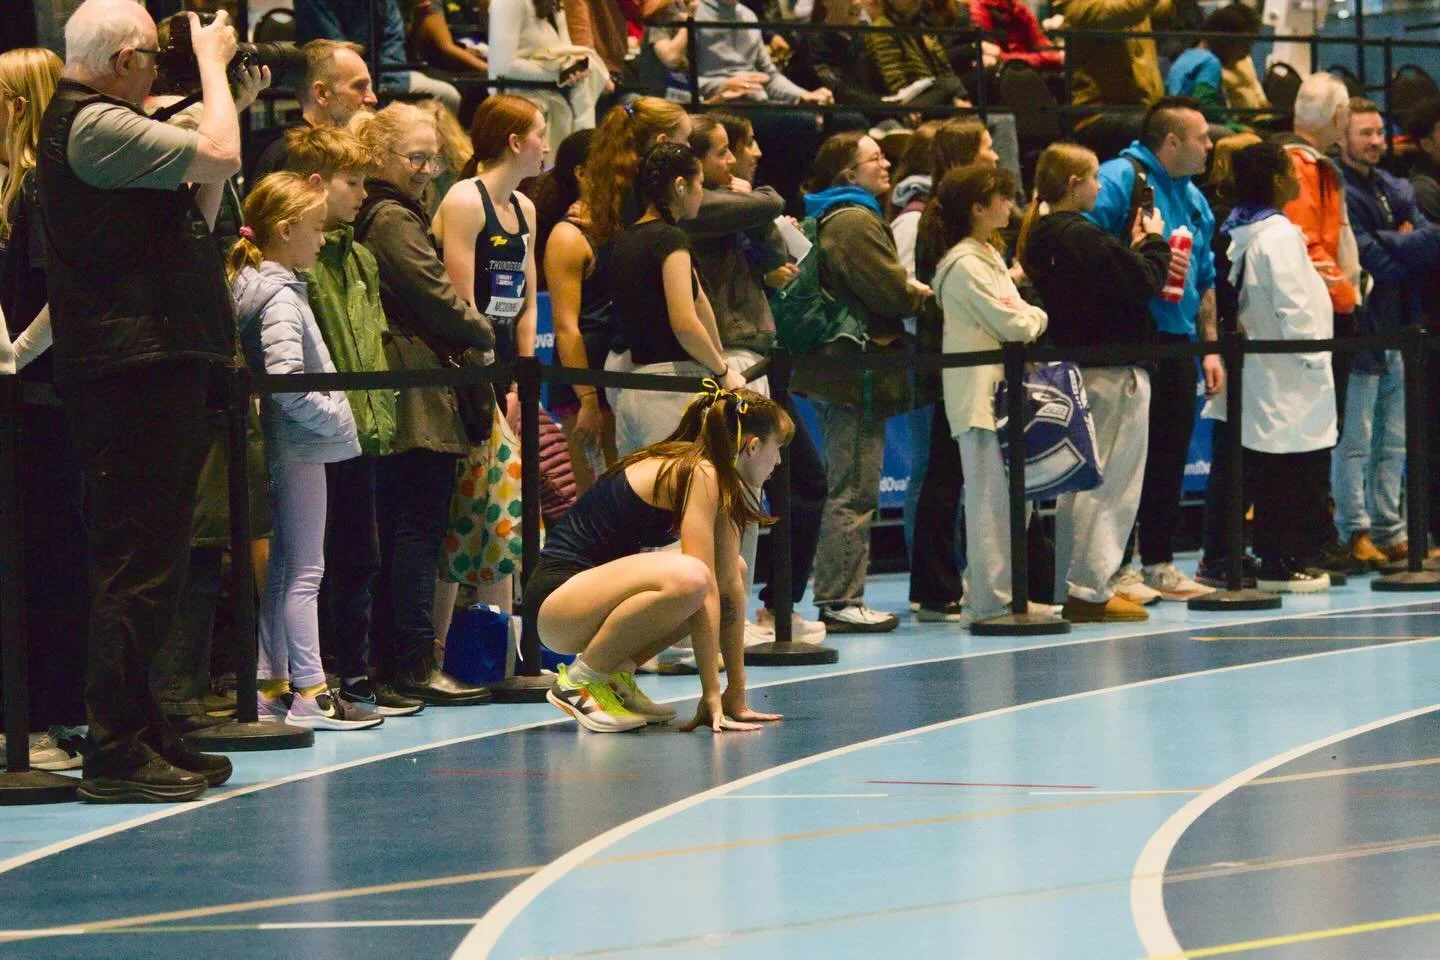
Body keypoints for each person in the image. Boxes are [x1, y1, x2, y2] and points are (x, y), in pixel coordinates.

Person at [35, 0, 247, 801]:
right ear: (124, 61)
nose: (161, 70)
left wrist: (225, 94)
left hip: (150, 358)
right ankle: (116, 747)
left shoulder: (102, 124)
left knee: (153, 557)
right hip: (132, 367)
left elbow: (195, 190)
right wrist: (216, 73)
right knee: (137, 562)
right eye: (155, 58)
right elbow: (220, 153)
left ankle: (144, 725)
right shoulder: (90, 125)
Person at [533, 385, 790, 732]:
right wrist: (710, 691)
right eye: (778, 449)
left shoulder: (722, 481)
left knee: (730, 572)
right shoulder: (703, 471)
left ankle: (614, 675)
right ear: (753, 446)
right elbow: (704, 585)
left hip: (584, 603)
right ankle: (579, 681)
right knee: (693, 577)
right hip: (557, 601)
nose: (779, 462)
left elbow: (729, 585)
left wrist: (735, 693)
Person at [352, 103, 495, 706]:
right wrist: (483, 330)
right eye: (415, 157)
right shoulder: (390, 217)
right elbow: (434, 295)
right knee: (415, 529)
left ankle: (397, 665)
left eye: (432, 156)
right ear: (381, 158)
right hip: (413, 391)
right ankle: (411, 666)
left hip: (410, 384)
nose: (427, 168)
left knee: (407, 529)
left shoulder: (387, 211)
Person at [231, 172, 381, 727]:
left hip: (292, 445)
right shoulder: (279, 299)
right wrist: (335, 415)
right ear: (286, 229)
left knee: (284, 570)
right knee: (305, 572)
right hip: (301, 445)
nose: (322, 239)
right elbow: (287, 381)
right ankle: (312, 691)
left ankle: (273, 684)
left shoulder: (265, 288)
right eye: (316, 229)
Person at [284, 125, 424, 717]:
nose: (364, 193)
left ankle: (359, 675)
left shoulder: (360, 257)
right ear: (317, 184)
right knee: (312, 561)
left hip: (362, 427)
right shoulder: (301, 263)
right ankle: (317, 679)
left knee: (359, 554)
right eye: (353, 182)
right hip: (314, 431)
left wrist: (375, 414)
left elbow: (372, 342)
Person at [1018, 143, 1170, 621]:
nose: (1100, 186)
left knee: (1079, 483)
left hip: (1078, 366)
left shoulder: (1043, 237)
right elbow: (1144, 281)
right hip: (1110, 369)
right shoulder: (1080, 236)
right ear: (1073, 184)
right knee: (1111, 483)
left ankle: (1077, 583)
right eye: (1092, 178)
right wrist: (1153, 242)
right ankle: (1089, 588)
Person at [792, 132, 930, 633]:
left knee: (850, 482)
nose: (887, 163)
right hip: (852, 373)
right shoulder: (852, 219)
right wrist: (915, 291)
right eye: (875, 158)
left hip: (844, 370)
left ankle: (839, 595)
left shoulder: (837, 213)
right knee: (853, 485)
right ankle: (839, 599)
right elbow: (890, 290)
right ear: (849, 173)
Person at [1085, 96, 1219, 603]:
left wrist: (1209, 347)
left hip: (1179, 343)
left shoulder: (1195, 198)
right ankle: (1113, 567)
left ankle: (1158, 561)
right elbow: (1086, 246)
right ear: (1171, 141)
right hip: (1130, 339)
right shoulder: (1120, 178)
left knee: (1168, 455)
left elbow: (1205, 278)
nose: (1210, 146)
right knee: (1123, 460)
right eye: (1201, 137)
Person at [0, 45, 89, 751]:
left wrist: (11, 361)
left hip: (40, 404)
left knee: (47, 557)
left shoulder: (39, 188)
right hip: (23, 400)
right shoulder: (14, 186)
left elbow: (60, 298)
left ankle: (49, 714)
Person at [926, 165, 1049, 625]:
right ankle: (989, 601)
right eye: (1001, 197)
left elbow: (1016, 316)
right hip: (979, 397)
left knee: (1018, 499)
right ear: (978, 208)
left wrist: (1026, 315)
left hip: (1003, 392)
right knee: (989, 501)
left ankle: (1005, 594)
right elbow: (1015, 322)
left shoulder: (987, 256)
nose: (1009, 205)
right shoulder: (964, 265)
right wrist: (1035, 316)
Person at [1221, 142, 1336, 592]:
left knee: (1277, 470)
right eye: (1290, 169)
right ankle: (1283, 560)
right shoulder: (1280, 236)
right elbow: (1294, 307)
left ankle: (1278, 556)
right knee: (1293, 472)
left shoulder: (1249, 233)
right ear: (1275, 180)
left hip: (1274, 371)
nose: (1297, 176)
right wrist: (1315, 360)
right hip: (1292, 372)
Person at [1336, 99, 1440, 565]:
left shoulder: (1395, 185)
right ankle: (1353, 530)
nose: (1376, 141)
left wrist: (1392, 241)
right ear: (1343, 138)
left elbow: (1431, 239)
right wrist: (1397, 241)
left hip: (1401, 325)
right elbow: (1362, 257)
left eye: (1380, 132)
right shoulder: (1338, 188)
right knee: (1356, 439)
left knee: (1393, 438)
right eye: (1365, 133)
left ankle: (1389, 529)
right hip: (1362, 329)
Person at [904, 118, 993, 621]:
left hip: (962, 360)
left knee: (949, 474)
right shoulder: (940, 220)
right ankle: (935, 587)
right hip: (951, 363)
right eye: (985, 147)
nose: (995, 156)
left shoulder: (950, 217)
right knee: (943, 473)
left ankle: (943, 582)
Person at [1276, 73, 1365, 572]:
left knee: (1320, 434)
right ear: (1338, 117)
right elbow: (1304, 244)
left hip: (1324, 314)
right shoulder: (1299, 165)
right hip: (1317, 318)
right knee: (1310, 436)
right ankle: (1306, 539)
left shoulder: (1315, 164)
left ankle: (1314, 535)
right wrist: (1347, 295)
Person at [610, 142, 742, 455]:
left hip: (632, 391)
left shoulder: (625, 239)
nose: (703, 194)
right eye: (700, 184)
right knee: (685, 499)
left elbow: (698, 302)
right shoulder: (670, 239)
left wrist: (718, 357)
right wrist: (723, 372)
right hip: (673, 391)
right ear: (680, 185)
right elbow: (684, 321)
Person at [1195, 131, 1261, 588]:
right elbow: (1218, 284)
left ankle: (1229, 548)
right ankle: (1218, 554)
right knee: (1231, 453)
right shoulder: (1227, 221)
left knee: (1244, 454)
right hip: (1234, 345)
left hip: (1244, 343)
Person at [440, 94, 545, 378]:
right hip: (466, 363)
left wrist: (521, 379)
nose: (547, 148)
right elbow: (464, 306)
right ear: (515, 142)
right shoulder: (466, 200)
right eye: (541, 135)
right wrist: (486, 383)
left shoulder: (526, 208)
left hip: (505, 359)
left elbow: (528, 305)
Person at [541, 130, 618, 494]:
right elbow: (567, 328)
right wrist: (587, 400)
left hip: (622, 379)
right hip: (584, 389)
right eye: (610, 166)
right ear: (582, 173)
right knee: (601, 505)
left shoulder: (620, 226)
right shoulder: (567, 237)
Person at [295, 0, 462, 115]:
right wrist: (365, 78)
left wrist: (384, 80)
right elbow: (333, 50)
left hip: (388, 73)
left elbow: (393, 44)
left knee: (447, 95)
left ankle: (430, 161)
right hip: (334, 75)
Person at [249, 40, 379, 186]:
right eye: (359, 86)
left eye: (370, 88)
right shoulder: (293, 158)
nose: (372, 98)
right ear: (322, 94)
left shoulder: (354, 151)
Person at [488, 0, 612, 150]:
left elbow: (565, 54)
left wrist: (573, 68)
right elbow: (503, 67)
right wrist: (558, 74)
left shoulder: (555, 5)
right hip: (520, 105)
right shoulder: (509, 3)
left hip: (558, 100)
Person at [1054, 0, 1169, 161]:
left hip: (1142, 109)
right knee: (1175, 134)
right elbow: (1116, 12)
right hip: (1098, 115)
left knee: (1192, 134)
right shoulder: (1078, 5)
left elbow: (1164, 13)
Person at [1165, 4, 1260, 124]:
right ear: (1226, 40)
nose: (1245, 54)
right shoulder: (1210, 62)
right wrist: (1237, 128)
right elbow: (1205, 106)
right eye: (1243, 45)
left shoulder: (1188, 55)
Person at [967, 0, 1062, 71]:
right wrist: (1040, 59)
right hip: (1001, 78)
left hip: (1028, 72)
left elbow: (1050, 53)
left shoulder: (1020, 8)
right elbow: (993, 57)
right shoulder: (979, 8)